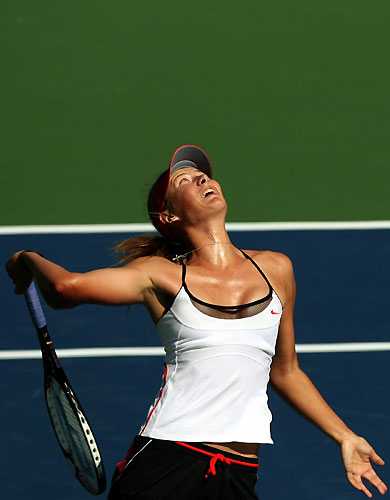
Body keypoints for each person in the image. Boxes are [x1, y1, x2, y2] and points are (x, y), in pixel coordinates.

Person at [6, 145, 387, 500]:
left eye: (203, 174)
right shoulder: (158, 275)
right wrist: (27, 256)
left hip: (239, 473)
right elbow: (64, 287)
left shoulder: (277, 268)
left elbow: (285, 371)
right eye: (184, 180)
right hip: (166, 463)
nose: (203, 179)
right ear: (169, 215)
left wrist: (345, 437)